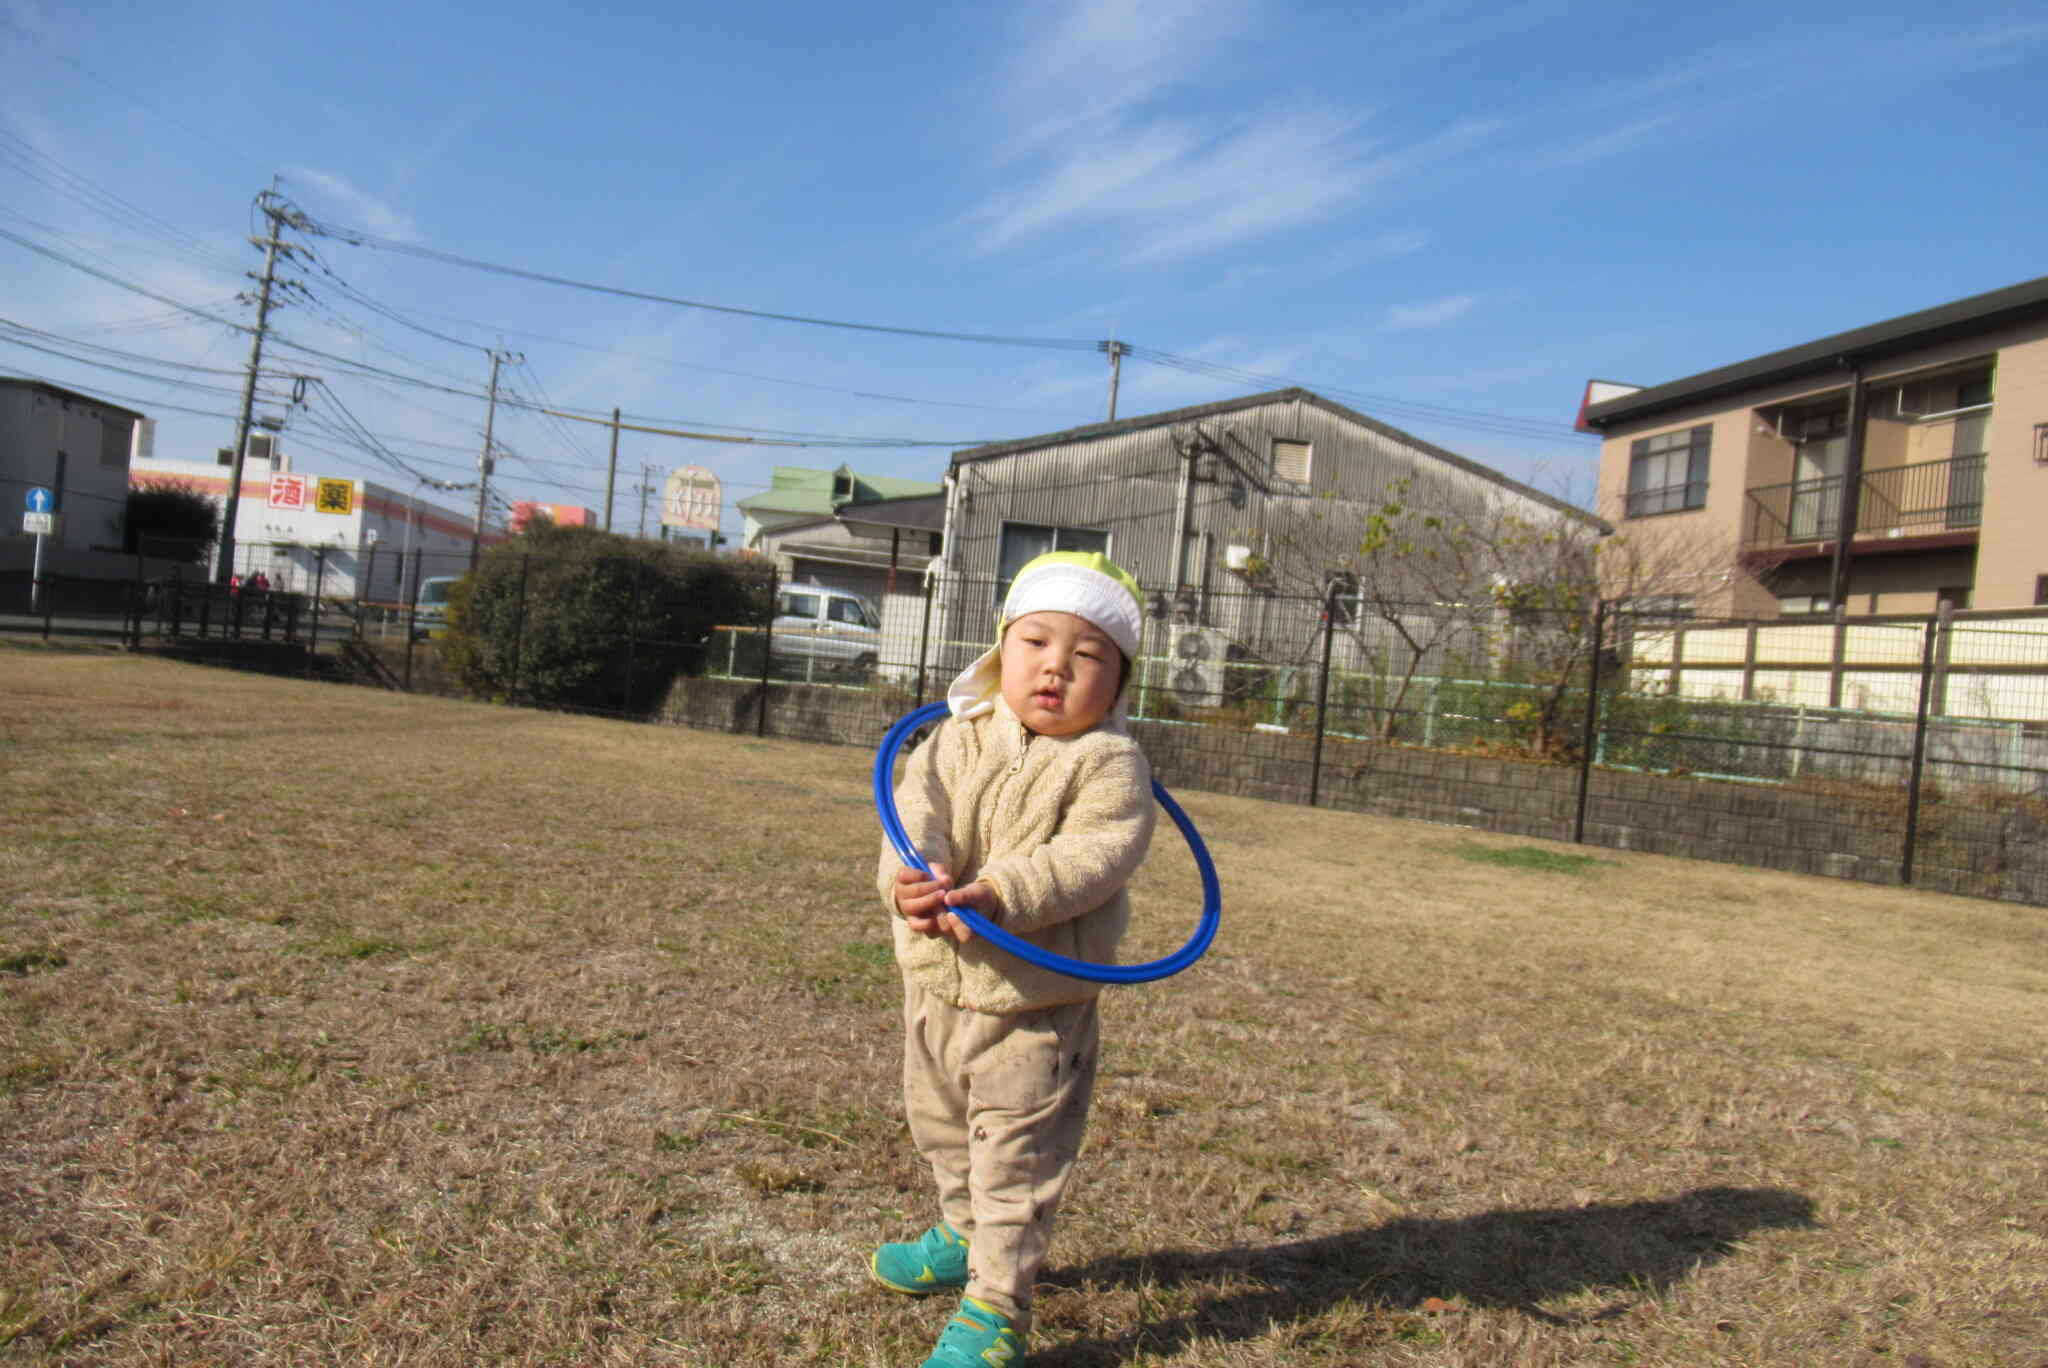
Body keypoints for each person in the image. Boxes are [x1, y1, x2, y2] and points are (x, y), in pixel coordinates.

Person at [872, 550, 1157, 1368]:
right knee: (939, 1126)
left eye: (1089, 655)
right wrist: (911, 875)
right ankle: (962, 1233)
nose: (1056, 667)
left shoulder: (1111, 764)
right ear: (1002, 651)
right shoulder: (957, 735)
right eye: (1036, 642)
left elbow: (1097, 855)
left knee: (1015, 1157)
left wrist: (1002, 893)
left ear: (1119, 683)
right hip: (937, 987)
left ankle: (997, 1304)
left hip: (1036, 1005)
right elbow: (912, 812)